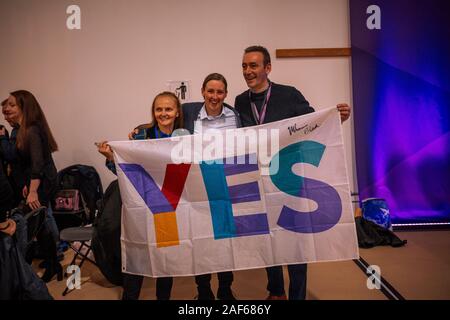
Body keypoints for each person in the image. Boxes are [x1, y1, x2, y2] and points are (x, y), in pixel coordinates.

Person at [234, 45, 351, 300]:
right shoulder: (240, 101)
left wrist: (336, 119)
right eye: (244, 66)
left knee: (296, 242)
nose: (247, 71)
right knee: (268, 239)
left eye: (253, 65)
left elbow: (313, 124)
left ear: (268, 68)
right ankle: (276, 291)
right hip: (258, 179)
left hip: (289, 180)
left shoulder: (289, 95)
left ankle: (297, 295)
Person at [97, 91, 183, 300]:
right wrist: (110, 157)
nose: (163, 113)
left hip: (168, 207)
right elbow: (126, 173)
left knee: (165, 261)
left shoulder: (184, 136)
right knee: (137, 257)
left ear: (177, 112)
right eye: (159, 109)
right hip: (142, 206)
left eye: (168, 109)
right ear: (153, 112)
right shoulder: (140, 135)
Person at [182, 73, 241, 300]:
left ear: (225, 94)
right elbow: (162, 118)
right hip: (198, 189)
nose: (214, 96)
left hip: (227, 189)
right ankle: (203, 290)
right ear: (202, 92)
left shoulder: (235, 115)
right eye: (210, 91)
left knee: (226, 242)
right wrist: (138, 131)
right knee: (202, 243)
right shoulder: (189, 112)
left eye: (219, 92)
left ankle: (225, 288)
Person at [1, 90, 62, 283]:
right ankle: (54, 264)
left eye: (12, 105)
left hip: (44, 182)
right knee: (41, 222)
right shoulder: (20, 130)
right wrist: (29, 185)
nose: (7, 108)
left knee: (34, 220)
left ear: (23, 107)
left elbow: (38, 165)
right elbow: (24, 163)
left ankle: (49, 263)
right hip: (36, 182)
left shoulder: (33, 129)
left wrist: (33, 190)